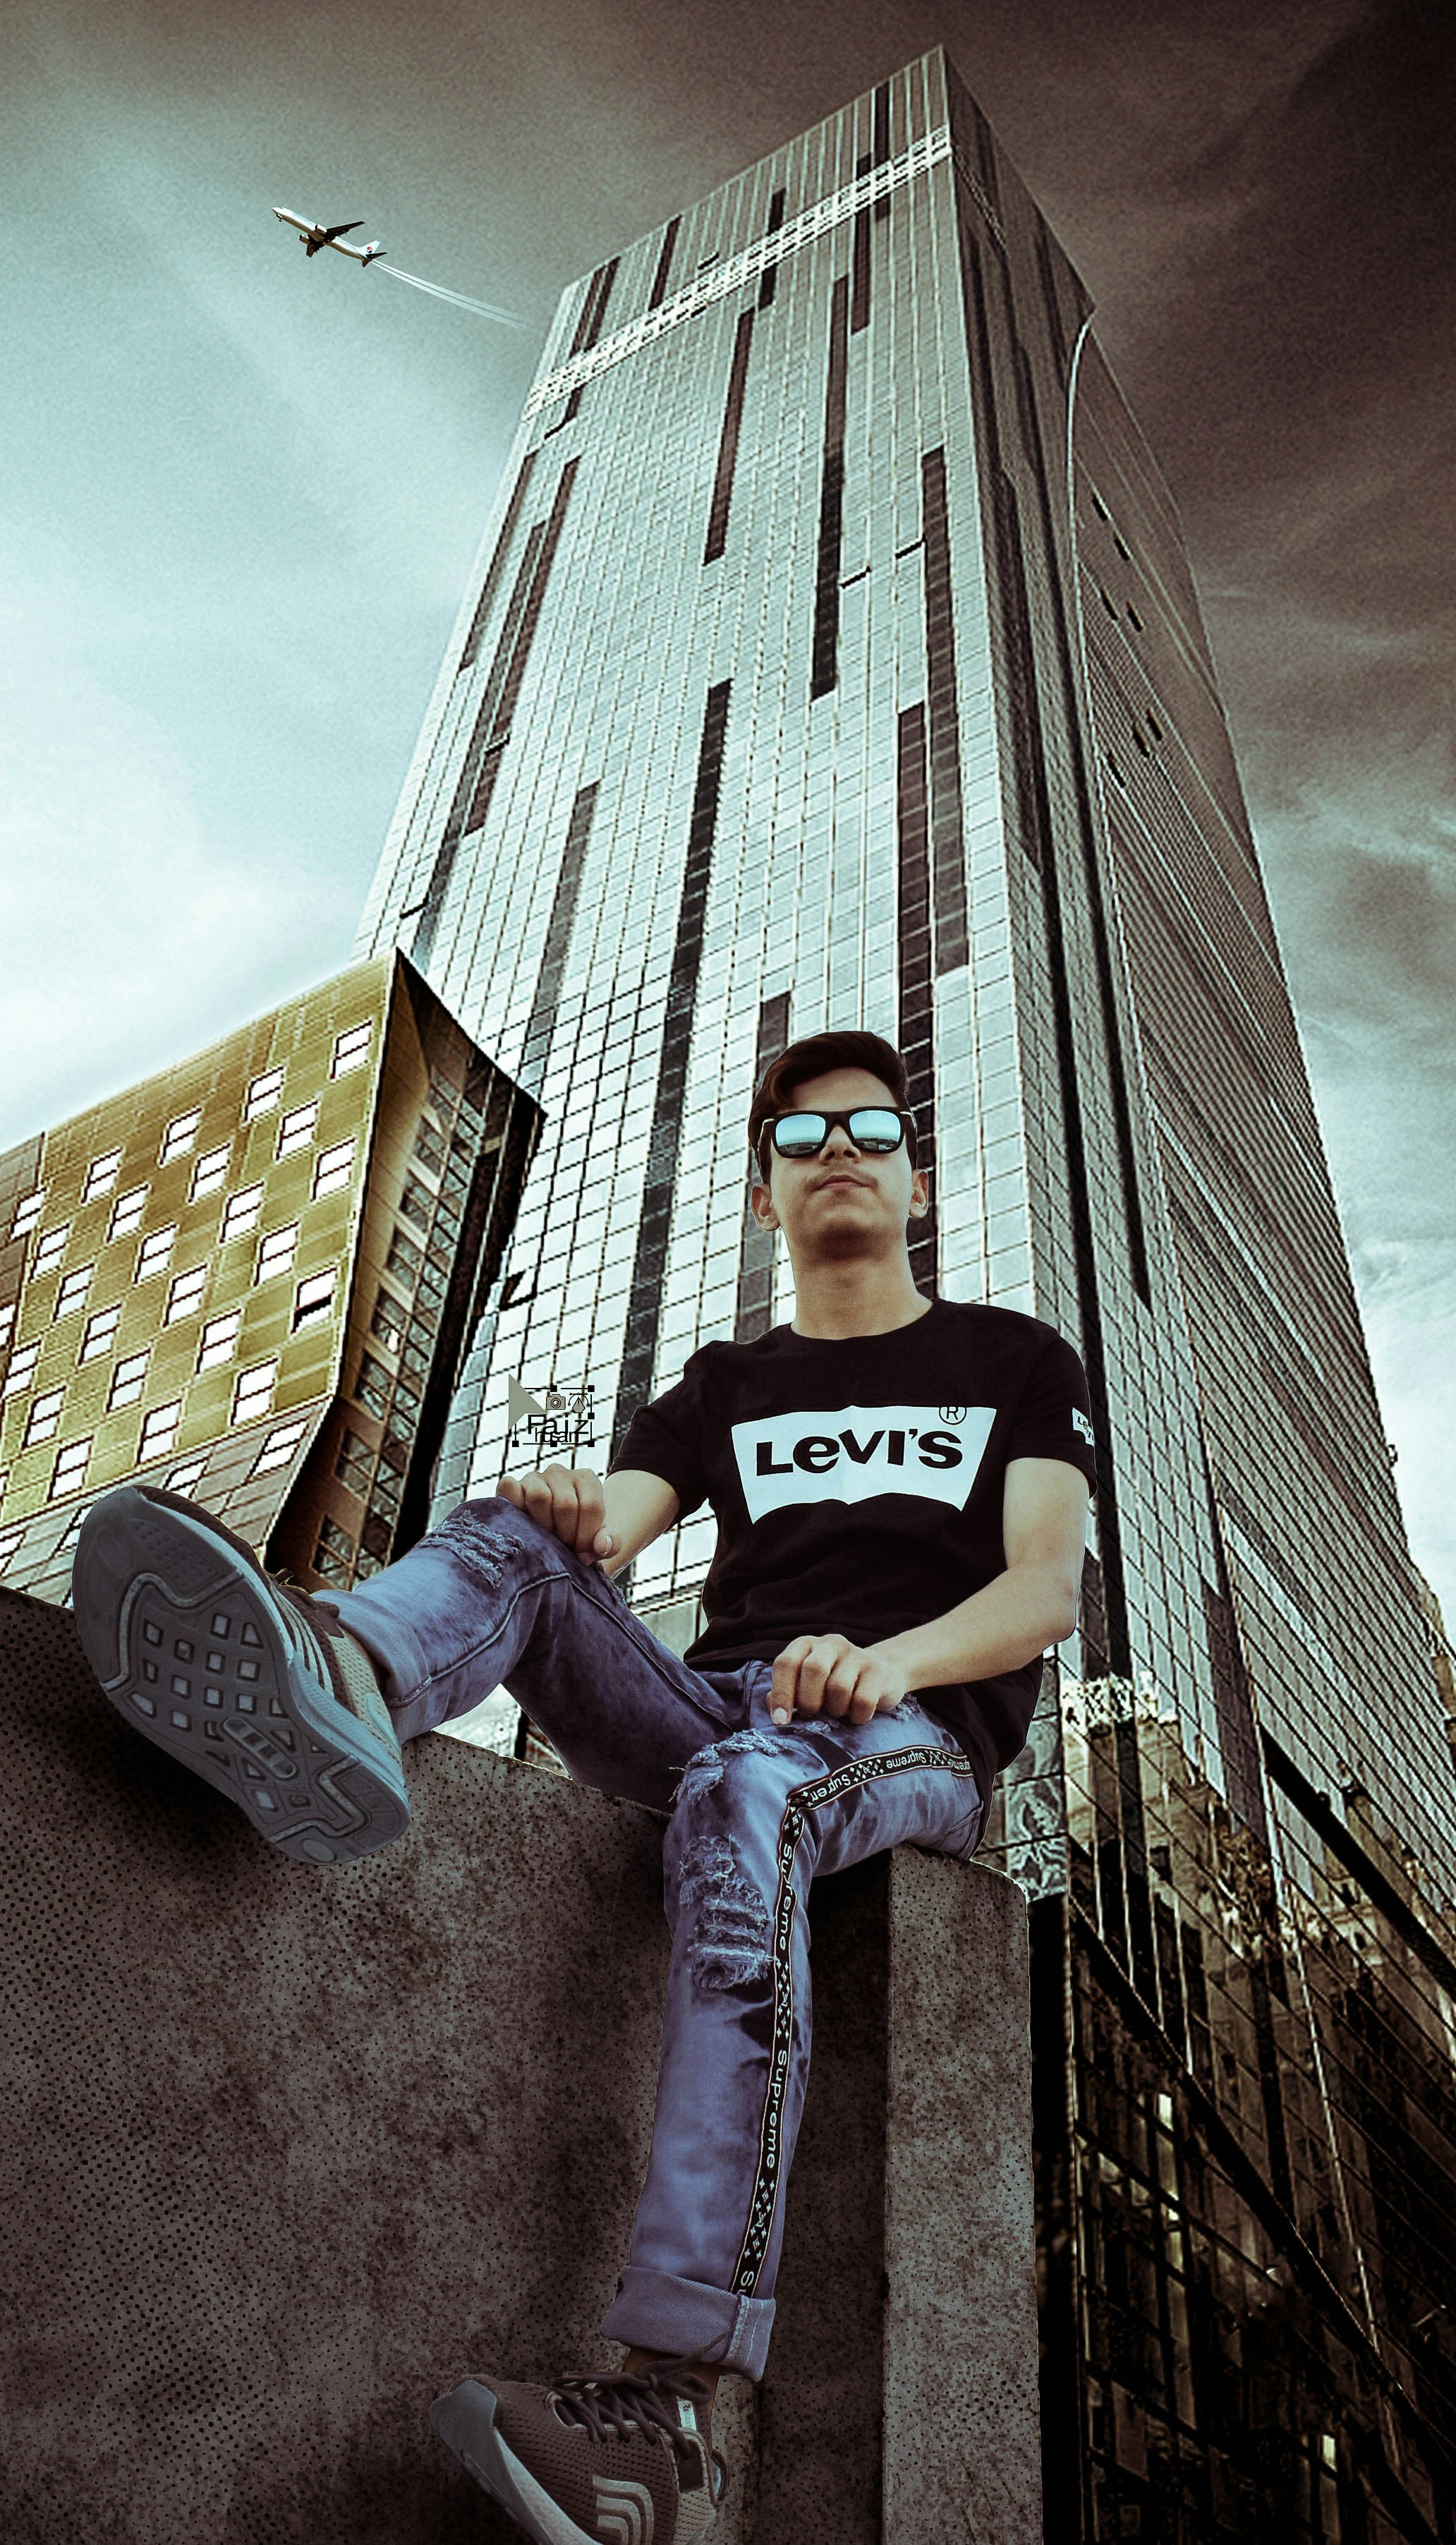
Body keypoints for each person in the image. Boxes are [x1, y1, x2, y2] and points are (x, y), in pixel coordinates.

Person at [73, 1028, 1096, 2545]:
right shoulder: (728, 1382)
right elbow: (622, 1512)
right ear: (762, 1198)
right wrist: (578, 1509)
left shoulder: (1012, 1363)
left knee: (754, 1791)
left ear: (916, 1178)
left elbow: (1046, 1588)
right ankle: (341, 1687)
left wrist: (893, 1658)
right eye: (804, 1139)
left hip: (910, 1739)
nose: (839, 1153)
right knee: (517, 1538)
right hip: (717, 1700)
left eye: (871, 1130)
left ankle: (670, 2423)